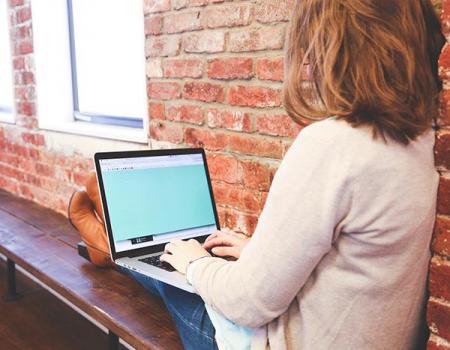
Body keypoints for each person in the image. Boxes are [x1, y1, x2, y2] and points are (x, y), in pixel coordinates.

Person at [123, 1, 445, 349]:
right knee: (185, 265)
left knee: (170, 278)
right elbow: (353, 265)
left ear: (335, 48)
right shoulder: (424, 141)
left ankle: (104, 244)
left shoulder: (333, 144)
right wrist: (258, 256)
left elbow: (247, 305)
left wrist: (196, 263)